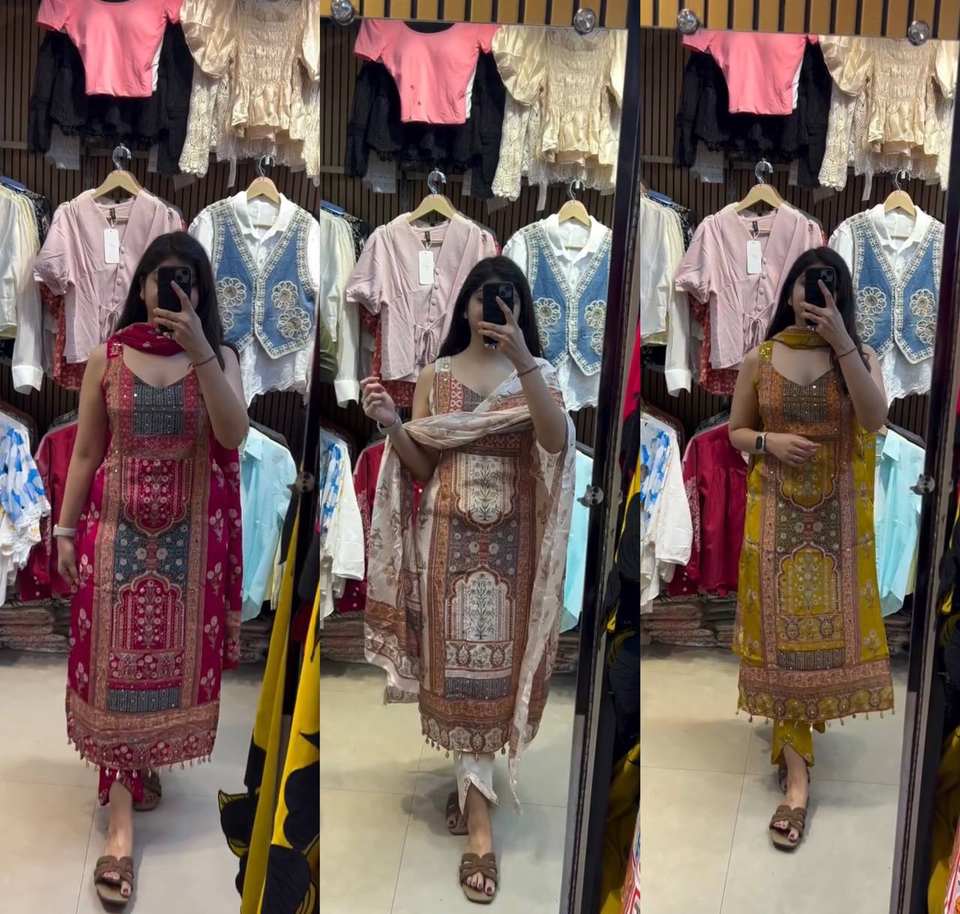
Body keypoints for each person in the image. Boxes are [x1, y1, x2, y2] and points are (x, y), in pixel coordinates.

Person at [360, 256, 576, 903]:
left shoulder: (537, 375)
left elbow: (555, 441)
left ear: (521, 308)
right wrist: (393, 425)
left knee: (498, 677)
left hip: (514, 549)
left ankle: (472, 790)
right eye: (483, 296)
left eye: (506, 297)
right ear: (466, 306)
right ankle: (479, 825)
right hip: (448, 544)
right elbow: (425, 464)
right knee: (457, 676)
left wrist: (525, 360)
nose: (493, 307)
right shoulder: (439, 375)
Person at [56, 232, 249, 905]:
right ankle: (119, 831)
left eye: (186, 280)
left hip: (192, 548)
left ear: (201, 292)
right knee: (114, 672)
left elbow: (233, 434)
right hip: (114, 540)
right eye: (162, 277)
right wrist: (63, 529)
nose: (173, 289)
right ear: (141, 287)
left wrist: (201, 352)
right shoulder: (107, 356)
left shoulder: (220, 356)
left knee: (165, 667)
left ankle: (136, 766)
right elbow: (86, 452)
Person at [728, 246, 894, 850]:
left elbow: (873, 421)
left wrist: (844, 343)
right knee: (781, 640)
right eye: (805, 283)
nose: (814, 295)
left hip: (837, 525)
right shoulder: (760, 358)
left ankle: (793, 738)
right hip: (774, 517)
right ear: (789, 292)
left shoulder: (860, 358)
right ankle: (796, 784)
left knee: (817, 640)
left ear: (840, 297)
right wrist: (769, 442)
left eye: (827, 286)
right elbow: (735, 431)